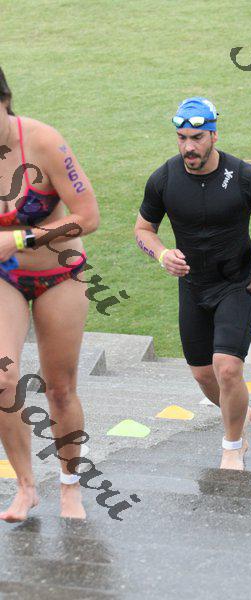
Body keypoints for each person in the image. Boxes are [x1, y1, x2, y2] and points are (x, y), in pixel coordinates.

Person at [134, 97, 251, 470]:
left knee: (227, 368)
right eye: (182, 138)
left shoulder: (246, 177)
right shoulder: (164, 179)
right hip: (193, 287)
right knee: (203, 374)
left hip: (237, 284)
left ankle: (232, 446)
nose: (188, 147)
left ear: (213, 135)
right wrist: (161, 254)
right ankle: (238, 411)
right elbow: (143, 229)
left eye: (196, 138)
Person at [0, 68, 100, 521]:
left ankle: (69, 485)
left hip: (60, 274)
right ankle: (25, 486)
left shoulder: (44, 142)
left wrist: (22, 238)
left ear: (5, 100)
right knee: (3, 379)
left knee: (59, 388)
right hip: (5, 277)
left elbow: (88, 216)